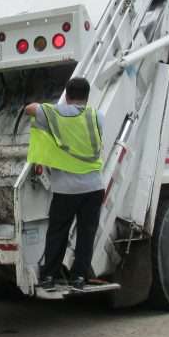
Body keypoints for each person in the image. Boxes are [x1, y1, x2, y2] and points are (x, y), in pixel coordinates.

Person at [25, 77, 105, 291]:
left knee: (58, 232)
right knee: (86, 234)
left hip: (66, 189)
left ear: (67, 95)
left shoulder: (56, 113)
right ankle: (79, 277)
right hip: (94, 187)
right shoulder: (97, 116)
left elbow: (29, 109)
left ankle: (50, 275)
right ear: (87, 97)